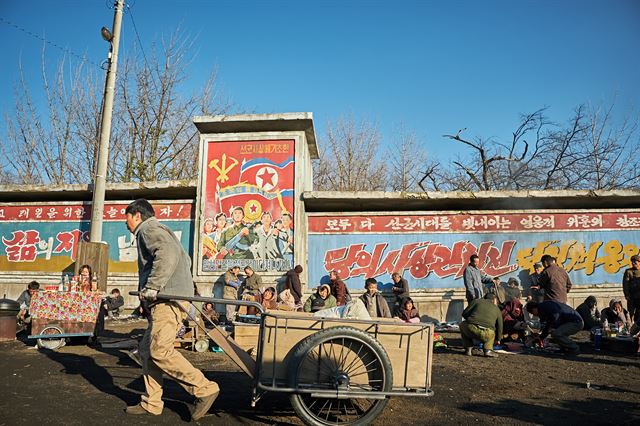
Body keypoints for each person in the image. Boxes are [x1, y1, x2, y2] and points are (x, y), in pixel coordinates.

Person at [123, 199, 219, 420]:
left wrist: (153, 287)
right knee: (147, 352)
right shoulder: (162, 230)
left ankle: (204, 388)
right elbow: (182, 258)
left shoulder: (148, 229)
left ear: (137, 215)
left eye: (126, 218)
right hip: (170, 298)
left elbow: (167, 254)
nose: (125, 223)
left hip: (167, 300)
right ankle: (152, 402)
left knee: (160, 351)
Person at [460, 293, 503, 357]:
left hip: (471, 328)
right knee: (492, 333)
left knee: (462, 324)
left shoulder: (476, 301)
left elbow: (464, 314)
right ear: (494, 300)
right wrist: (498, 339)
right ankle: (488, 350)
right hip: (488, 333)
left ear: (484, 297)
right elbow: (500, 326)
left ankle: (468, 349)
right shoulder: (497, 309)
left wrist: (471, 320)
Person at [622, 254, 640, 322]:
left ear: (639, 262)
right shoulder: (628, 271)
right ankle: (631, 325)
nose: (633, 263)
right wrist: (626, 294)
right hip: (631, 296)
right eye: (632, 262)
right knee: (631, 312)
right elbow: (625, 284)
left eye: (635, 262)